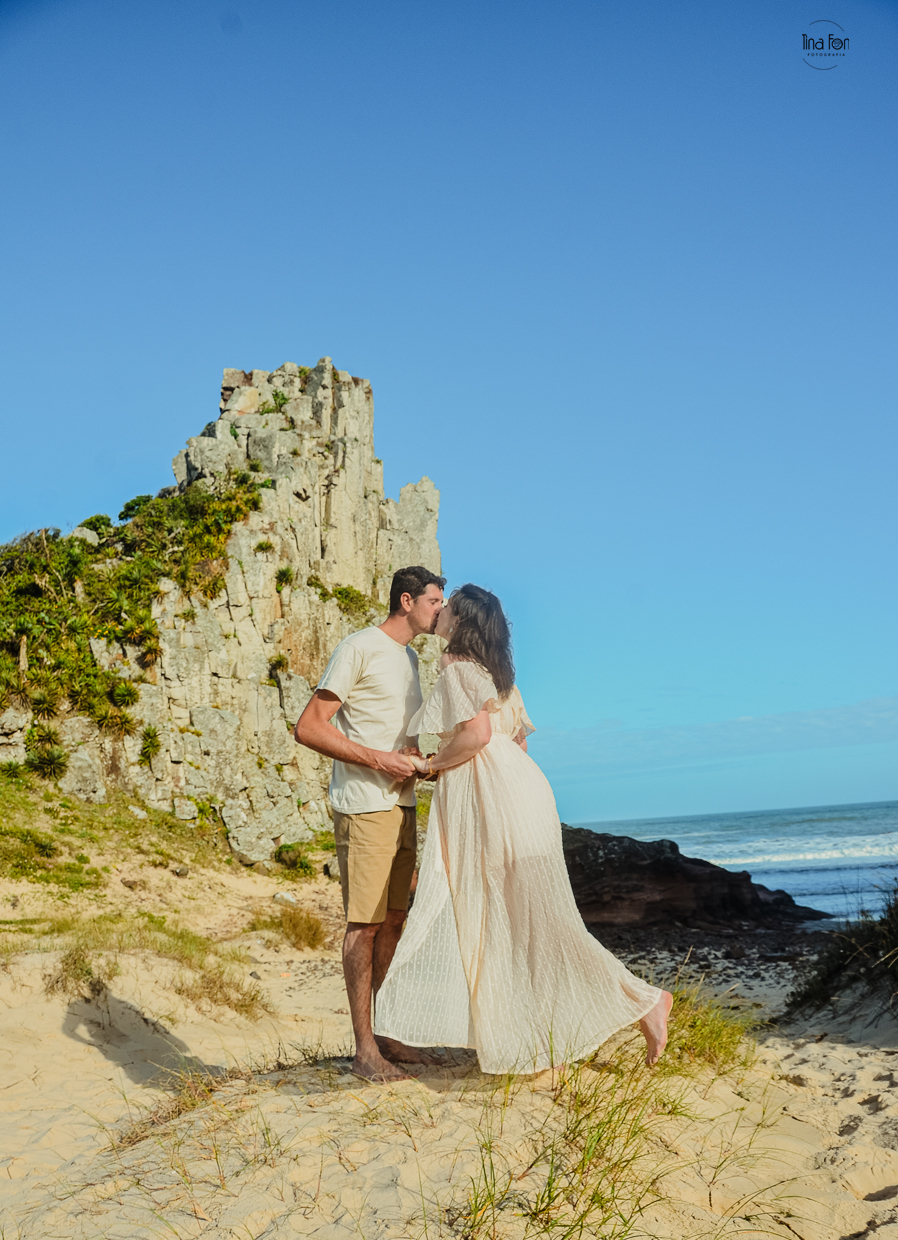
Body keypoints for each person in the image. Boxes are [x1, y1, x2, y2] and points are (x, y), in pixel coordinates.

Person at [374, 584, 673, 1074]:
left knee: (511, 920)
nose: (441, 610)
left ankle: (641, 1000)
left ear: (462, 620)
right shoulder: (500, 674)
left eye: (448, 607)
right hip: (523, 792)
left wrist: (429, 766)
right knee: (533, 921)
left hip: (489, 796)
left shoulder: (453, 664)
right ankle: (544, 1044)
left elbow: (476, 734)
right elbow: (518, 745)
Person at [294, 565, 446, 1082]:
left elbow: (393, 732)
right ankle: (364, 1051)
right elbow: (308, 727)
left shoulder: (408, 658)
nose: (439, 609)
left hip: (402, 805)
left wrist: (414, 757)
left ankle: (387, 1035)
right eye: (433, 601)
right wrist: (381, 760)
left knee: (395, 920)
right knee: (364, 925)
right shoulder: (359, 646)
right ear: (406, 601)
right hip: (363, 805)